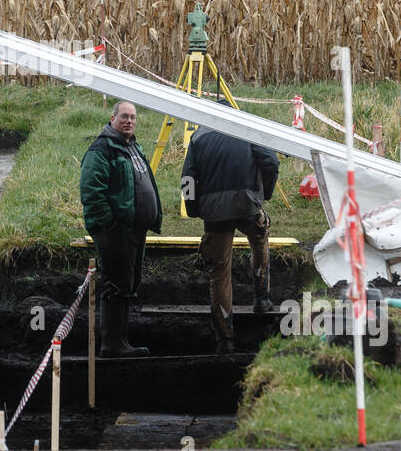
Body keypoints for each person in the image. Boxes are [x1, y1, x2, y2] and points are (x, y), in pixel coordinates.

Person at [181, 110, 279, 353]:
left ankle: (224, 339)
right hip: (247, 204)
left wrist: (193, 209)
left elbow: (187, 179)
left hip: (214, 212)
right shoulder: (247, 128)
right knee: (259, 236)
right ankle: (261, 300)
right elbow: (272, 161)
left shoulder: (199, 137)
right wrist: (264, 194)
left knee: (219, 272)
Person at [80, 101, 163, 357]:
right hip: (114, 230)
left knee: (128, 283)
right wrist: (110, 224)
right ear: (113, 118)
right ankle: (111, 344)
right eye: (124, 117)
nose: (129, 121)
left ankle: (122, 341)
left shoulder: (132, 147)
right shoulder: (102, 150)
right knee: (115, 284)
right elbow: (92, 192)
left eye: (133, 118)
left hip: (135, 230)